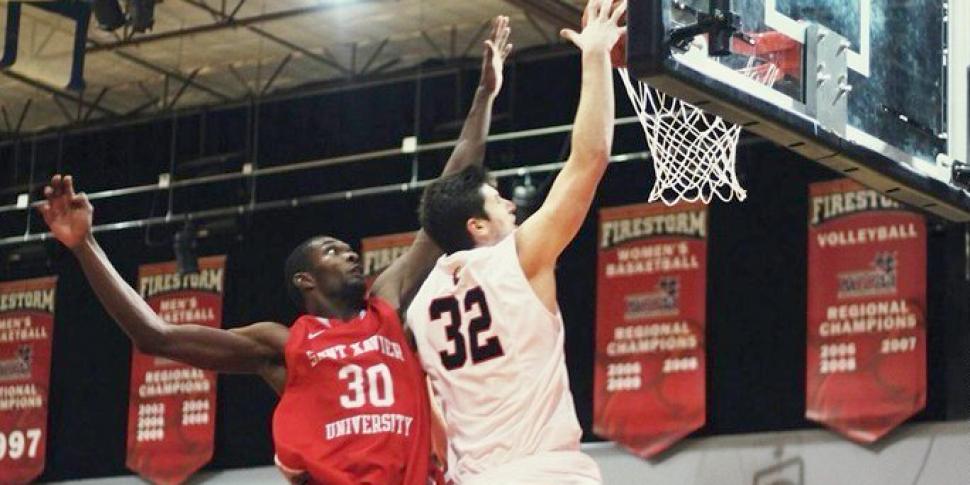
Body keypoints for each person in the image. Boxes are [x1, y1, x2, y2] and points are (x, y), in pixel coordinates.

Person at [37, 16, 514, 485]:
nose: (349, 254)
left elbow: (448, 194)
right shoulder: (282, 345)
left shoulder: (386, 304)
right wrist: (86, 246)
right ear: (304, 280)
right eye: (332, 251)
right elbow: (154, 335)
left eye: (348, 250)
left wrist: (484, 96)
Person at [406, 1, 625, 483]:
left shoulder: (419, 309)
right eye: (497, 200)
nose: (510, 206)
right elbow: (589, 159)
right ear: (476, 227)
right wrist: (595, 55)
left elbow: (432, 418)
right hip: (547, 472)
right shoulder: (519, 258)